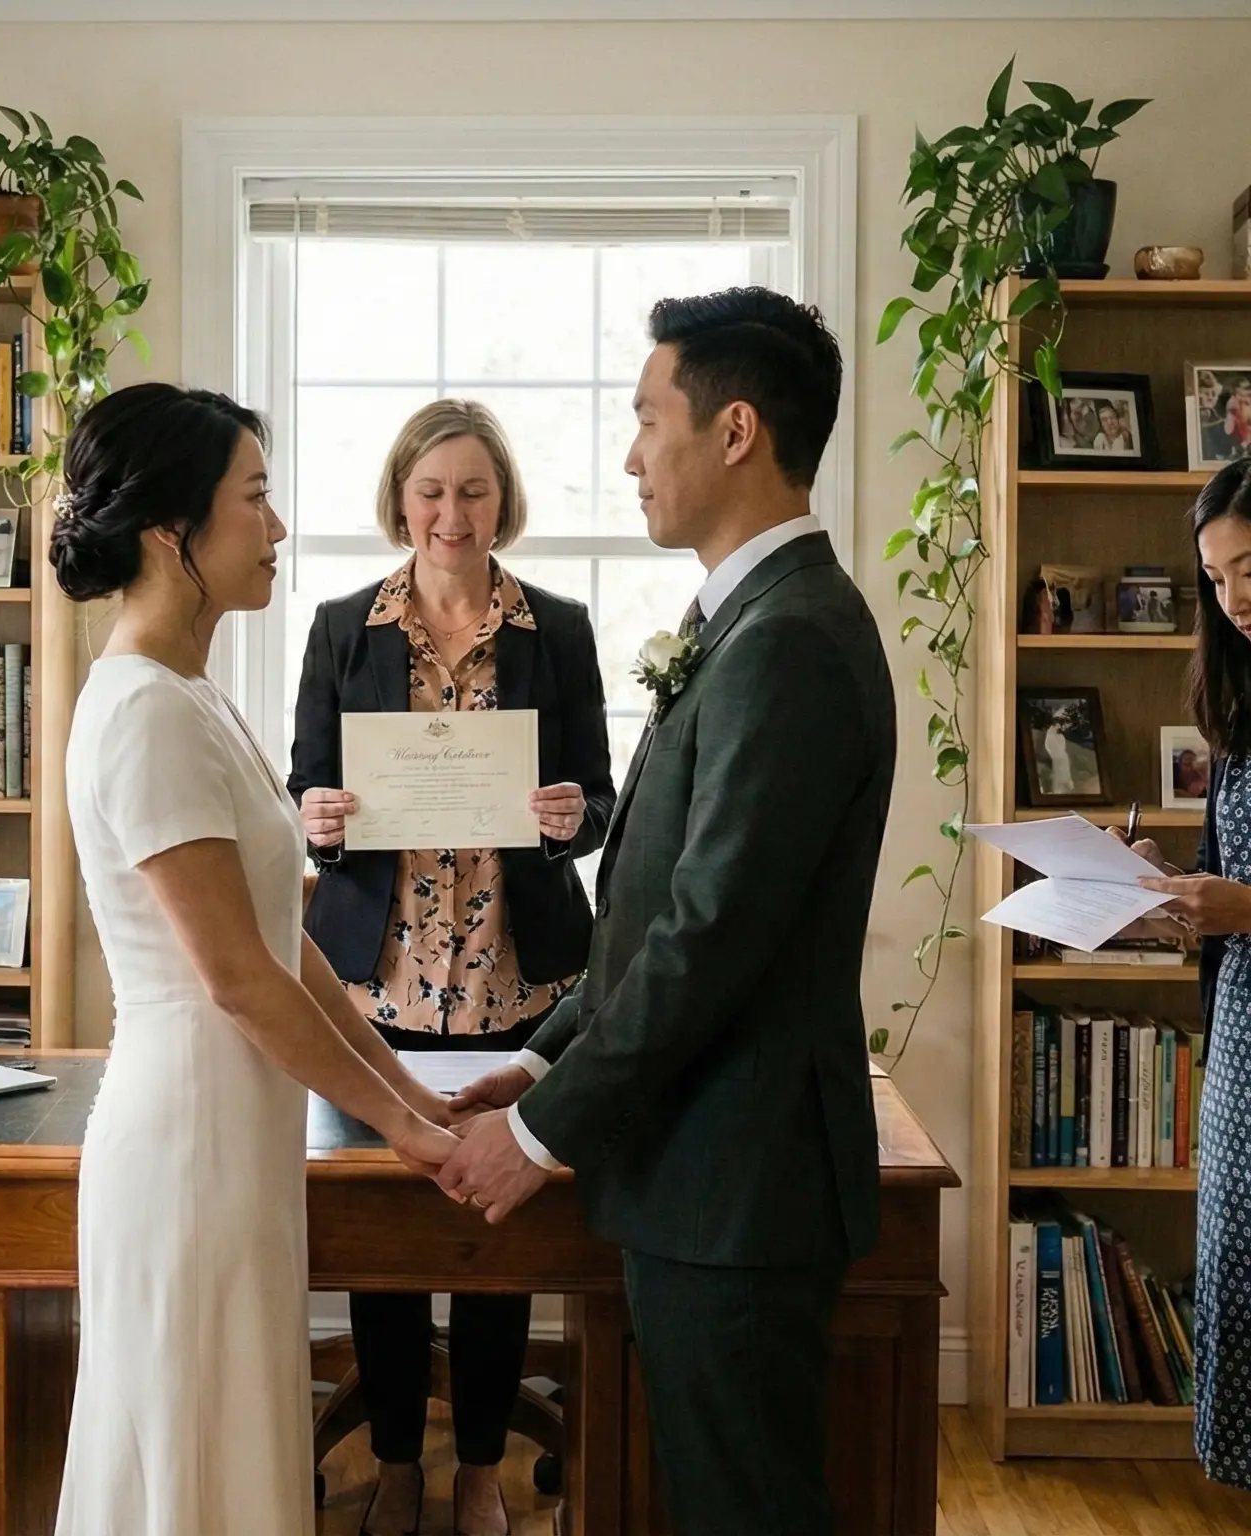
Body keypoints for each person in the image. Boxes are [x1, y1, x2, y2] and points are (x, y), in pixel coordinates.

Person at [439, 288, 897, 1536]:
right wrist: (539, 1055)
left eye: (648, 419)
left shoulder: (789, 639)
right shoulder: (748, 619)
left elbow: (711, 940)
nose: (631, 455)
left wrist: (539, 1136)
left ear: (735, 429)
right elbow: (652, 913)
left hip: (738, 1183)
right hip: (699, 1171)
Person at [49, 382, 458, 1535]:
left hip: (238, 1132)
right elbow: (235, 980)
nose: (276, 528)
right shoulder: (143, 712)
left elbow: (288, 942)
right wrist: (406, 1129)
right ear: (171, 529)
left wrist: (400, 1092)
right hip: (184, 1141)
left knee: (232, 1439)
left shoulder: (197, 697)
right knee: (191, 1449)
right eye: (255, 499)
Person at [288, 398, 615, 1536]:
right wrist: (316, 818)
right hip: (371, 980)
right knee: (383, 1233)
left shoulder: (557, 627)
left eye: (473, 490)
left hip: (510, 974)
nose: (450, 512)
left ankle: (478, 1465)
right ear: (400, 498)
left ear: (501, 501)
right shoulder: (341, 626)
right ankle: (393, 1458)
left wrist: (573, 815)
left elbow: (598, 796)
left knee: (495, 1223)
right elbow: (305, 788)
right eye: (430, 490)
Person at [1121, 457, 1251, 1491]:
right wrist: (1171, 891)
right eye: (1213, 577)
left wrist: (1240, 907)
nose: (1233, 595)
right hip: (1243, 1051)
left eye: (1248, 564)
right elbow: (1228, 877)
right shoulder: (1242, 702)